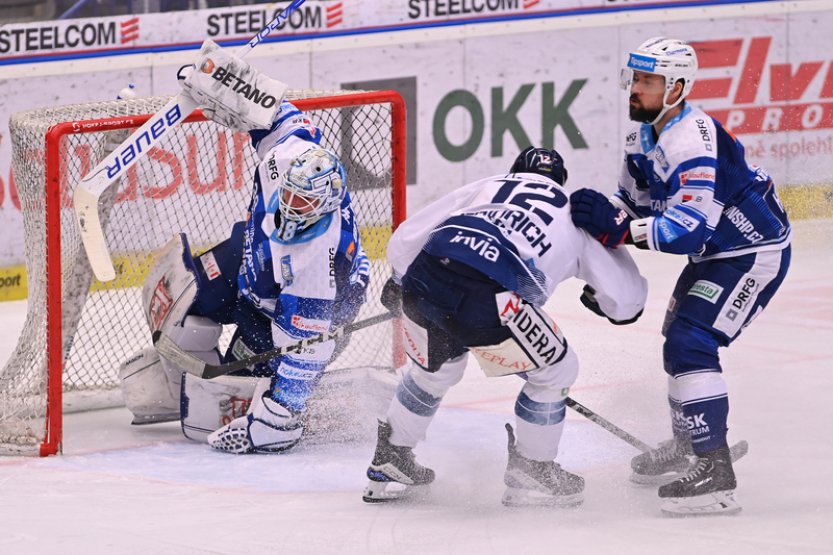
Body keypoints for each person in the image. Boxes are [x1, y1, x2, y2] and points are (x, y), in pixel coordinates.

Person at [569, 37, 791, 516]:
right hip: (719, 254)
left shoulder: (691, 142)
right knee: (678, 337)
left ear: (678, 88)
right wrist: (605, 252)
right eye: (635, 78)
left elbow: (688, 231)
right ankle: (691, 442)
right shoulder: (641, 136)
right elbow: (631, 206)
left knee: (691, 342)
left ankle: (714, 470)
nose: (635, 89)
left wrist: (620, 232)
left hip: (752, 253)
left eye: (648, 81)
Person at [118, 40, 370, 454]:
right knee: (179, 294)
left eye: (305, 205)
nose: (292, 207)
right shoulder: (288, 157)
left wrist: (276, 419)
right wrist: (221, 76)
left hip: (284, 304)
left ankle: (273, 397)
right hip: (251, 255)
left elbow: (308, 346)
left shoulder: (313, 270)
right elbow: (272, 111)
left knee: (237, 389)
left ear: (325, 208)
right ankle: (173, 377)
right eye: (290, 197)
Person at [361, 147, 648, 507]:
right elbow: (627, 303)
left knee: (431, 373)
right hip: (494, 299)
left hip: (427, 276)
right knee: (557, 370)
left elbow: (407, 236)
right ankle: (533, 470)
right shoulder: (573, 211)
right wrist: (598, 299)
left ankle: (392, 457)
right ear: (561, 182)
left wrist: (400, 279)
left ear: (513, 171)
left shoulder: (488, 185)